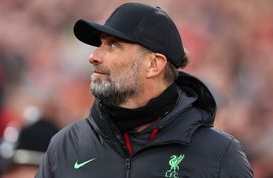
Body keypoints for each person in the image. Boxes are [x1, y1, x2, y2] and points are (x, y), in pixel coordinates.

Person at [35, 3, 253, 178]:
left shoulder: (219, 155)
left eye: (112, 45)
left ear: (153, 65)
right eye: (100, 44)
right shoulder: (65, 145)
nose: (94, 56)